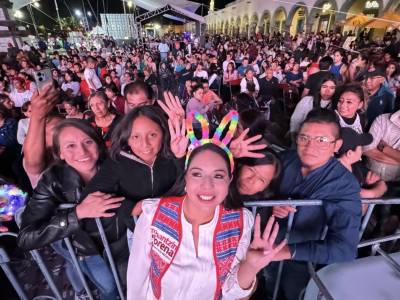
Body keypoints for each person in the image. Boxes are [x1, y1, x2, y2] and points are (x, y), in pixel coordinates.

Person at [127, 112, 286, 299]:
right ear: (185, 176)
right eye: (197, 174)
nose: (207, 186)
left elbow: (232, 293)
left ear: (229, 180)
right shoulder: (153, 213)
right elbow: (136, 283)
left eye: (218, 175)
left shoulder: (242, 220)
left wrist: (250, 266)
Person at [17, 119, 124, 300]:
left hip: (124, 245)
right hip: (86, 252)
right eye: (70, 146)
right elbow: (26, 237)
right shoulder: (52, 180)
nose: (82, 151)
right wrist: (78, 213)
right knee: (109, 289)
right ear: (61, 153)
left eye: (87, 142)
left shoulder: (117, 165)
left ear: (97, 144)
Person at [265, 109, 362, 300]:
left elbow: (345, 248)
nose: (310, 146)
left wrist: (288, 251)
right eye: (304, 138)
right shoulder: (284, 160)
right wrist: (269, 206)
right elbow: (254, 189)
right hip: (265, 248)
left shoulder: (343, 184)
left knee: (295, 293)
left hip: (303, 260)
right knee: (268, 289)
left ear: (337, 145)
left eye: (322, 140)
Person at [337, 127, 387, 214]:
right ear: (350, 153)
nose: (362, 150)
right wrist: (369, 195)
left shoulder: (356, 166)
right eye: (360, 147)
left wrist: (370, 193)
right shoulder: (333, 174)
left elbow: (383, 185)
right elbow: (352, 196)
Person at [363, 109, 400, 182]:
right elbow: (367, 150)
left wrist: (385, 148)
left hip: (397, 182)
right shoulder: (382, 119)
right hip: (367, 174)